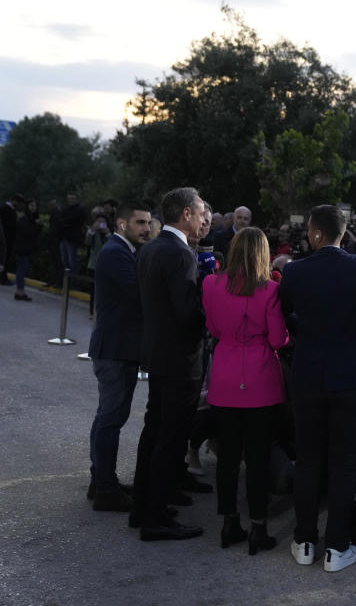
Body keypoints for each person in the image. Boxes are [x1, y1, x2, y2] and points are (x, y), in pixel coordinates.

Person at [279, 204, 356, 572]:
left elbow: (282, 315)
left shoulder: (295, 271)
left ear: (316, 233)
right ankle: (337, 548)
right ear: (342, 233)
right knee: (344, 465)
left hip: (308, 376)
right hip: (353, 379)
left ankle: (304, 540)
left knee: (308, 460)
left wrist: (307, 329)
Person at [202, 227, 289, 555]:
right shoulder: (270, 290)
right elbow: (278, 339)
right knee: (257, 457)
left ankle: (228, 523)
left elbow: (211, 327)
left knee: (227, 456)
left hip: (224, 377)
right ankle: (258, 527)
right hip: (261, 380)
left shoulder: (210, 284)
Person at [131, 187, 207, 541]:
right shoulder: (180, 254)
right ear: (186, 215)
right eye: (200, 210)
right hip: (180, 359)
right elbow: (187, 314)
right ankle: (155, 518)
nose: (204, 217)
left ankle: (143, 507)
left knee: (154, 429)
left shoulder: (151, 248)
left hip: (158, 355)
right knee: (170, 437)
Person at [87, 203, 153, 511]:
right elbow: (140, 295)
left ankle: (101, 479)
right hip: (114, 351)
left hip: (118, 349)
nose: (146, 228)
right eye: (140, 222)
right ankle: (105, 489)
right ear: (121, 223)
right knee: (111, 420)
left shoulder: (124, 251)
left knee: (107, 417)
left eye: (148, 223)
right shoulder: (116, 252)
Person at [12, 198, 42, 301]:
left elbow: (34, 233)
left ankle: (19, 292)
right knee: (21, 270)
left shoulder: (32, 218)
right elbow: (28, 232)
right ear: (27, 207)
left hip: (26, 248)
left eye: (34, 206)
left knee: (22, 270)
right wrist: (37, 226)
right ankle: (20, 292)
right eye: (31, 205)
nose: (33, 208)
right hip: (22, 248)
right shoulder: (24, 218)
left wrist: (38, 226)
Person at [85, 211, 111, 317]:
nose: (100, 225)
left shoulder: (110, 233)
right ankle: (92, 311)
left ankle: (102, 311)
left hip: (106, 266)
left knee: (104, 291)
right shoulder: (92, 232)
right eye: (98, 222)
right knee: (93, 290)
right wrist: (92, 230)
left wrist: (108, 233)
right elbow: (87, 242)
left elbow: (112, 246)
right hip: (93, 264)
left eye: (103, 222)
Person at [59, 191, 85, 289]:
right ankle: (66, 282)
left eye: (73, 198)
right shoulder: (66, 209)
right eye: (69, 198)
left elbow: (71, 220)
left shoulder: (79, 210)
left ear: (77, 199)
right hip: (64, 237)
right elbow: (61, 221)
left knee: (72, 262)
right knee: (65, 262)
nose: (70, 200)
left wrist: (65, 222)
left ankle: (72, 284)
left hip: (72, 239)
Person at [0, 194, 23, 285]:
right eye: (19, 203)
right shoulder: (5, 209)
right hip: (5, 239)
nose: (19, 205)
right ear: (14, 201)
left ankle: (3, 276)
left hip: (8, 239)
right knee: (4, 258)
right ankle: (2, 278)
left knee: (7, 258)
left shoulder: (11, 210)